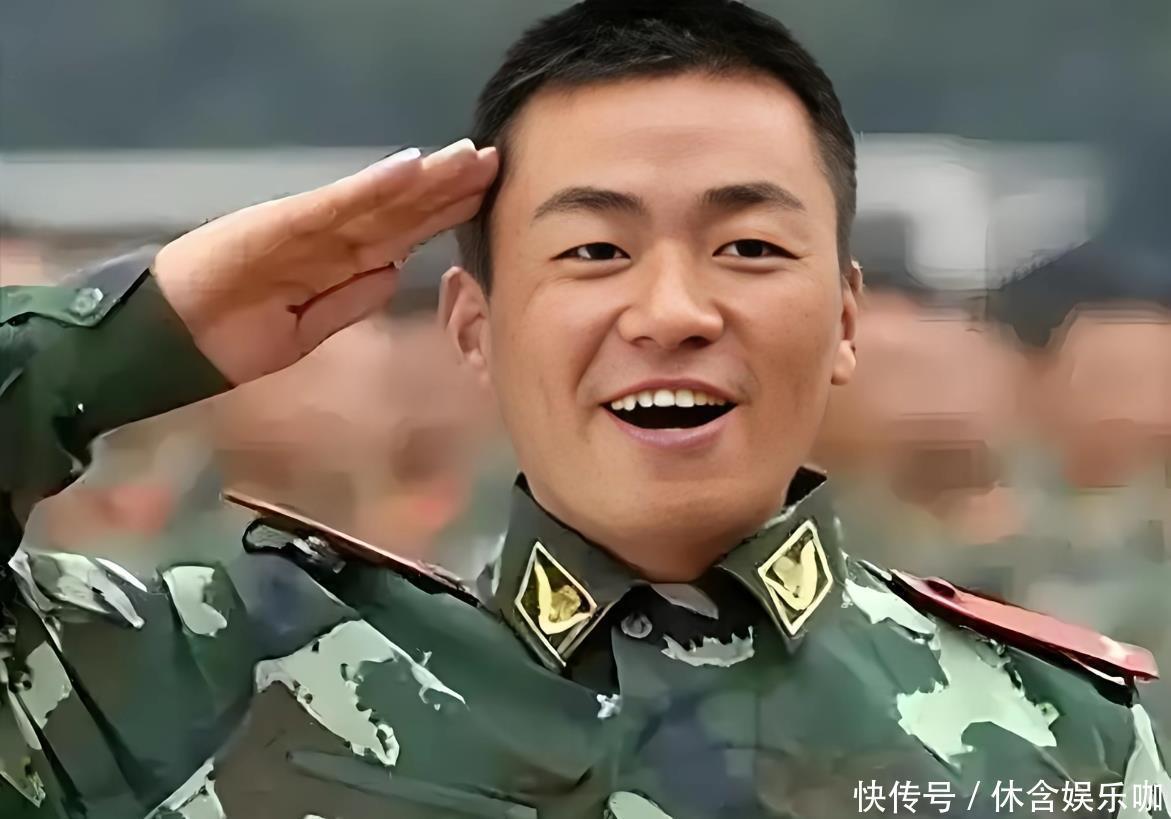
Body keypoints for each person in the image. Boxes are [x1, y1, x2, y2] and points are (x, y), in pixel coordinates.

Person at [1, 1, 1168, 817]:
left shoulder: (1057, 737)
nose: (671, 311)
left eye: (749, 247)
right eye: (595, 250)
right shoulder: (204, 680)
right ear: (473, 325)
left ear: (846, 317)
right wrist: (139, 329)